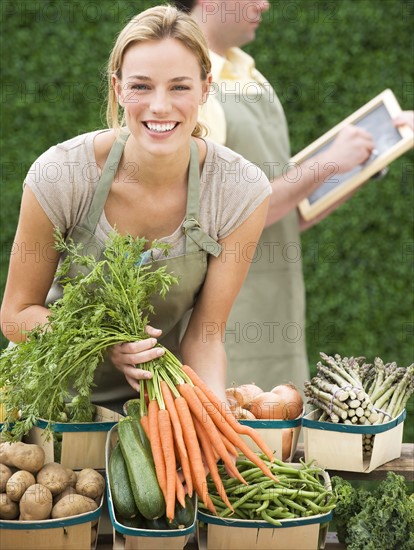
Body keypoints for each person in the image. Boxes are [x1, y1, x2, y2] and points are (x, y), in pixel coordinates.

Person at [0, 4, 271, 405]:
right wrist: (103, 341)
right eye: (141, 86)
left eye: (179, 86)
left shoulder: (238, 190)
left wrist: (216, 418)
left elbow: (205, 335)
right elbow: (16, 315)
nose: (160, 106)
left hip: (151, 410)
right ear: (118, 88)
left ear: (205, 88)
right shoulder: (62, 174)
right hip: (43, 402)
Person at [171, 0, 392, 392]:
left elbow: (291, 212)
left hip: (278, 315)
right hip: (221, 325)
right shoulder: (185, 86)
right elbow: (216, 219)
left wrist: (365, 163)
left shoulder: (250, 76)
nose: (265, 3)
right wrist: (326, 164)